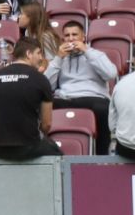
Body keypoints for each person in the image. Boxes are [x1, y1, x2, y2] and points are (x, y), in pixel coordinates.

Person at [0, 39, 62, 161]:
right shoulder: (40, 79)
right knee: (58, 155)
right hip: (28, 147)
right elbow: (47, 124)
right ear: (28, 54)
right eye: (38, 53)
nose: (41, 58)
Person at [47, 21, 116, 155]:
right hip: (66, 98)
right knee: (45, 107)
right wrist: (58, 59)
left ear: (83, 37)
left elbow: (111, 74)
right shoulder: (60, 58)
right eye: (67, 35)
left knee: (102, 109)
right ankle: (51, 153)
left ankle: (101, 156)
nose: (71, 39)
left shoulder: (96, 54)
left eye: (74, 35)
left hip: (93, 97)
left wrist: (87, 51)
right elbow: (46, 85)